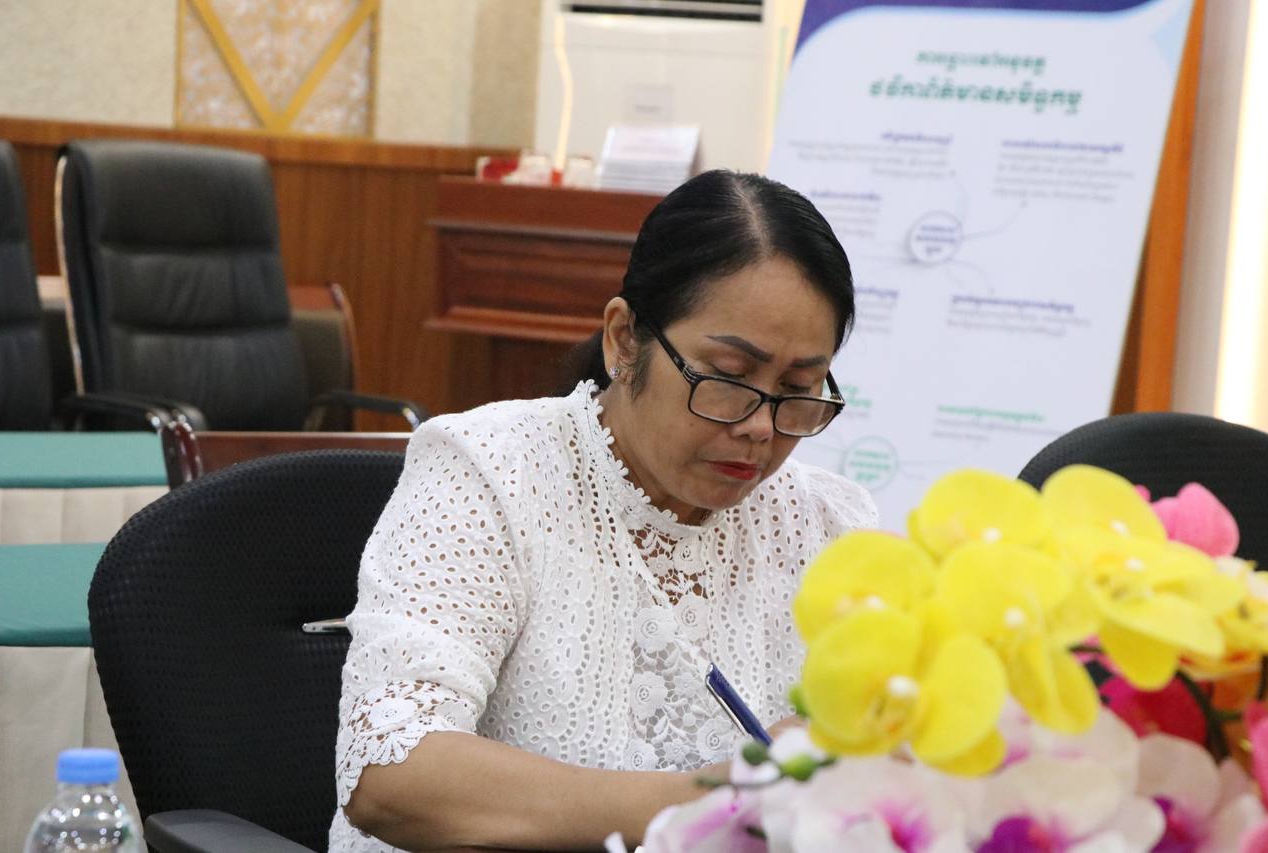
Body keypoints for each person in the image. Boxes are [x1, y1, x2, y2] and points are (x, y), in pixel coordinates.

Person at [333, 170, 878, 852]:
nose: (760, 428)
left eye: (798, 387)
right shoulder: (492, 471)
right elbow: (391, 773)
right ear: (624, 340)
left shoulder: (828, 525)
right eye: (729, 377)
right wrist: (724, 799)